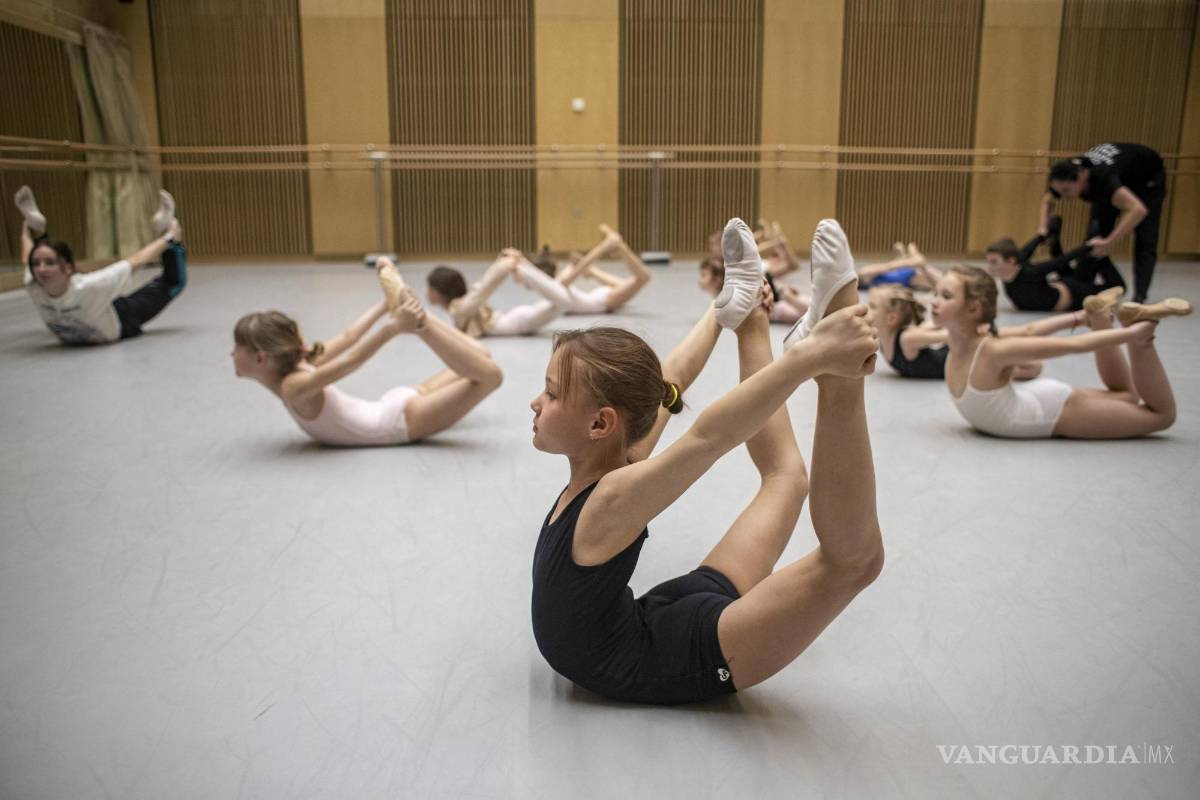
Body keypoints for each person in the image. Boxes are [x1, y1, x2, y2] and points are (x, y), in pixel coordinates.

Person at [530, 217, 882, 704]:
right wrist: (724, 310)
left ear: (599, 424)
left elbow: (710, 435)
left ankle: (837, 371)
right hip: (660, 617)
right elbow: (670, 383)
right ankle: (756, 325)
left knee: (854, 563)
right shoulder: (620, 464)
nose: (536, 403)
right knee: (785, 479)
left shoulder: (611, 494)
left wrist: (807, 361)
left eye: (550, 394)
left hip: (682, 657)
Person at [233, 259, 502, 446]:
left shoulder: (292, 385)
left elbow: (350, 356)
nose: (232, 355)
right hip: (399, 407)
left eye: (237, 348)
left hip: (400, 420)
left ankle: (422, 325)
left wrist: (389, 315)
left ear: (260, 357)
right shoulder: (300, 368)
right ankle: (422, 318)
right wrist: (389, 312)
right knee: (483, 362)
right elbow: (349, 340)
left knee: (490, 375)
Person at [932, 265, 1189, 439]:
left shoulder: (992, 350)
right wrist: (1079, 317)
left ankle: (1142, 341)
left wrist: (1133, 335)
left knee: (1161, 417)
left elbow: (1073, 345)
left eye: (945, 296)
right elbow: (1030, 330)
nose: (934, 301)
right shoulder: (965, 341)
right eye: (935, 293)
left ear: (973, 309)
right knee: (1127, 396)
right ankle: (1100, 318)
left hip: (1055, 414)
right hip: (1034, 399)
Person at [16, 185, 186, 345]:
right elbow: (28, 258)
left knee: (174, 281)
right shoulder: (34, 284)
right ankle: (38, 226)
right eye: (36, 264)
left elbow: (135, 262)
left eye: (50, 263)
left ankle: (166, 228)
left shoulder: (90, 286)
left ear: (67, 268)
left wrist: (169, 238)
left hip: (122, 317)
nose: (41, 269)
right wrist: (31, 230)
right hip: (92, 317)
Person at [866, 284, 1080, 380]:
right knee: (1033, 367)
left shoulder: (908, 338)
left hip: (966, 352)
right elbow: (933, 327)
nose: (866, 308)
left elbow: (945, 334)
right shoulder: (887, 338)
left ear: (891, 318)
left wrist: (976, 332)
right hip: (964, 366)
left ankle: (1078, 318)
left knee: (1027, 333)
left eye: (873, 306)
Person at [1042, 142, 1166, 302]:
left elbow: (1138, 210)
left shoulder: (1103, 179)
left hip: (1147, 177)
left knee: (1145, 236)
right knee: (1095, 235)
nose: (1063, 197)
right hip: (1118, 175)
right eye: (1059, 191)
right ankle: (1082, 283)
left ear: (1081, 177)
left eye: (1066, 191)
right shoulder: (1067, 172)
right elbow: (1047, 200)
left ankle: (1139, 297)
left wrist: (1110, 241)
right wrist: (1043, 228)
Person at [425, 249, 573, 337]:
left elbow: (482, 289)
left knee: (565, 302)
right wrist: (502, 264)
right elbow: (480, 290)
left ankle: (523, 266)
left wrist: (504, 265)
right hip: (518, 319)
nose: (428, 294)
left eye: (431, 289)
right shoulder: (458, 306)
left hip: (519, 322)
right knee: (563, 302)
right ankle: (523, 266)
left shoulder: (459, 308)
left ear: (439, 292)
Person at [985, 222, 1125, 312]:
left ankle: (1100, 254)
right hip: (1064, 282)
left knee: (1119, 287)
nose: (989, 267)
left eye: (994, 262)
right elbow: (1024, 253)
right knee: (1085, 264)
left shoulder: (1031, 273)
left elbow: (1059, 261)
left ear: (1010, 261)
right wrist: (1040, 237)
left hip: (1077, 293)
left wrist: (1087, 247)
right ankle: (1059, 239)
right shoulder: (1011, 269)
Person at [533, 225, 652, 315]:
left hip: (599, 297)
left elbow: (580, 266)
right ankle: (621, 248)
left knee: (633, 281)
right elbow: (581, 266)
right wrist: (604, 246)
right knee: (643, 278)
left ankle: (617, 249)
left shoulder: (557, 283)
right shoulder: (558, 285)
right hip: (606, 301)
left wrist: (581, 265)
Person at [698, 255, 810, 325]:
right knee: (808, 311)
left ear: (717, 280)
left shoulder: (727, 296)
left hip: (776, 307)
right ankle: (786, 295)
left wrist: (785, 293)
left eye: (703, 275)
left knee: (811, 315)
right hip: (775, 306)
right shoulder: (726, 292)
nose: (699, 279)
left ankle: (787, 295)